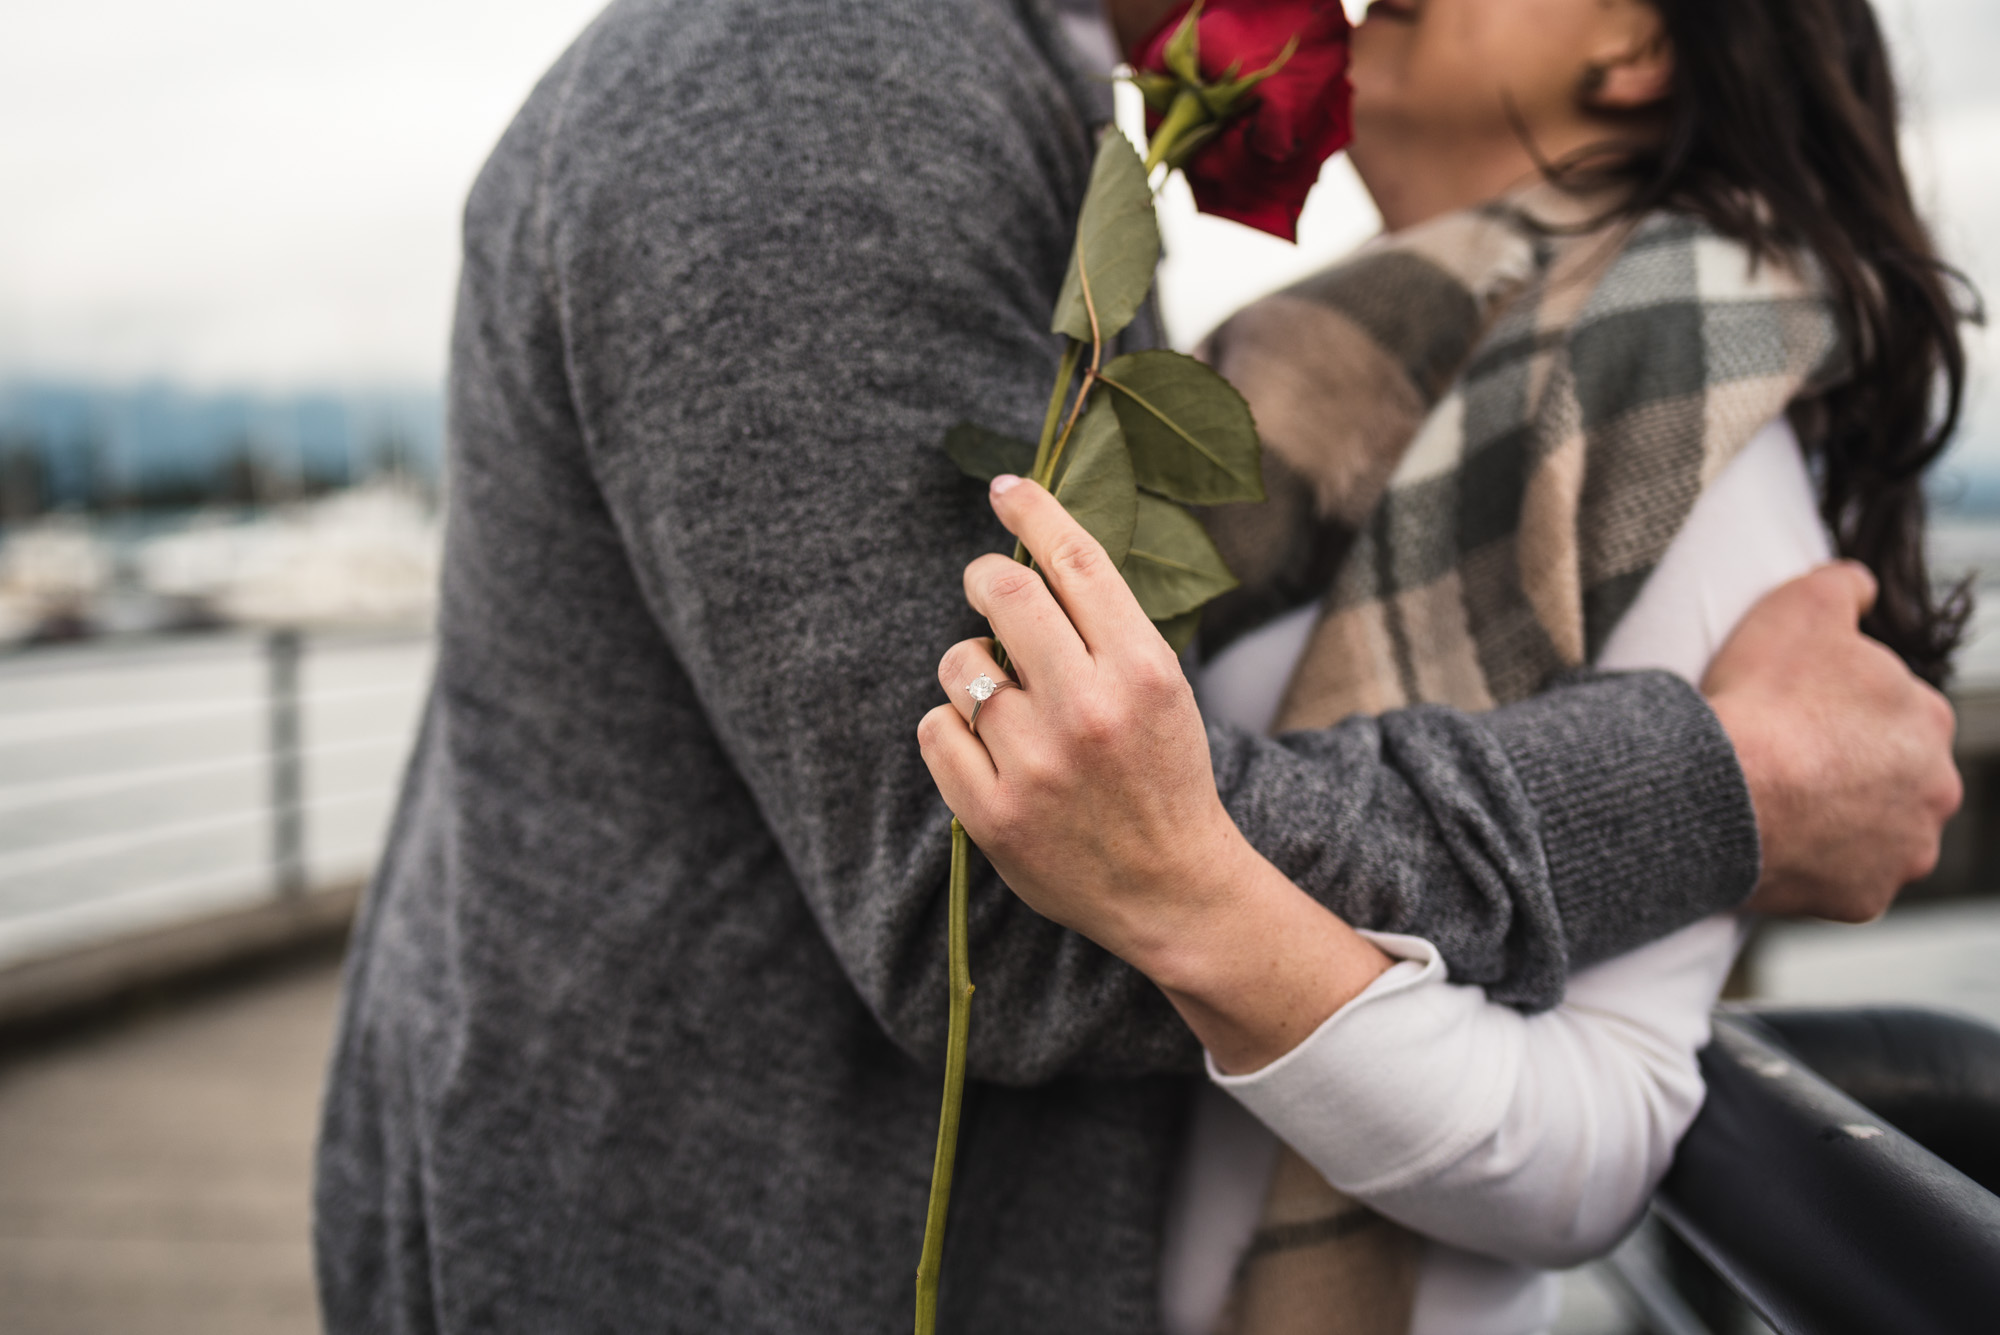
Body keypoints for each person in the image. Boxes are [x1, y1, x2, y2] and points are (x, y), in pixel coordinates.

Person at [312, 1, 1958, 1331]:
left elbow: (1101, 813)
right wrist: (1724, 784)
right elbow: (995, 883)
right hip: (689, 1257)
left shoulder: (1668, 414)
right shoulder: (820, 79)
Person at [920, 0, 1969, 1332]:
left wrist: (1192, 903)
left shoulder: (1682, 416)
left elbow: (1598, 1145)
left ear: (1637, 51)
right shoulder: (1306, 367)